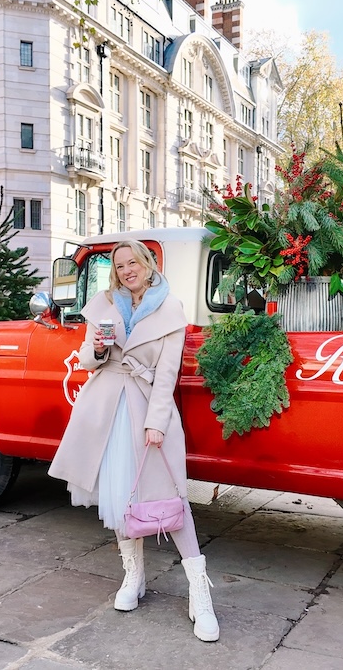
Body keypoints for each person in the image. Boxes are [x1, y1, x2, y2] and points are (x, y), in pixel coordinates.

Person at [48, 240, 220, 642]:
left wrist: (157, 421)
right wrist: (95, 348)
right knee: (119, 496)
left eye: (133, 263)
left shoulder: (169, 307)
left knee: (171, 497)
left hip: (145, 409)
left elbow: (168, 373)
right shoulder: (104, 303)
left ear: (147, 263)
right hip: (106, 407)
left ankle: (199, 591)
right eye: (120, 265)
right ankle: (133, 576)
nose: (127, 270)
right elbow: (88, 361)